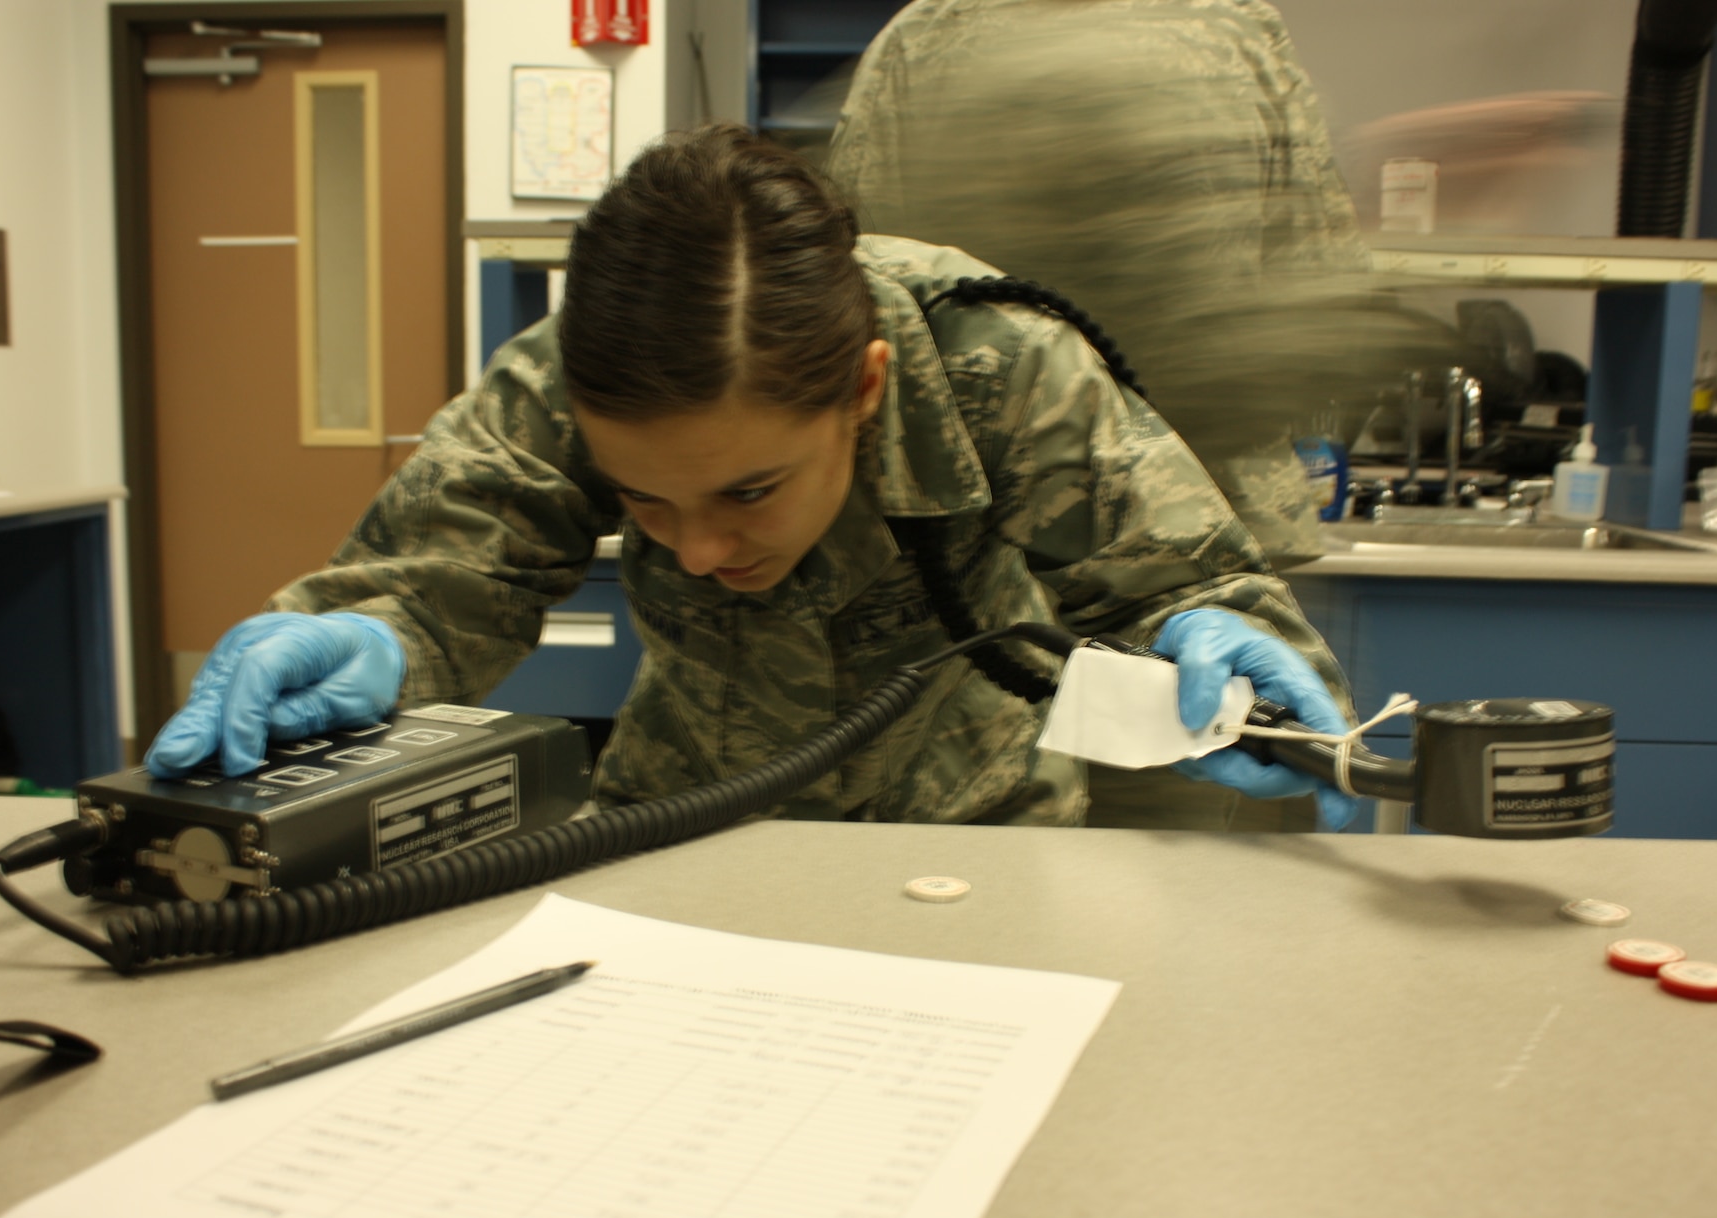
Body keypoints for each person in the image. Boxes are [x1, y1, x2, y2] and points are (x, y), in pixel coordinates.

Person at [146, 125, 1361, 829]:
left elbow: (1184, 584)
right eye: (644, 502)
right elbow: (436, 578)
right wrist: (369, 633)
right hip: (678, 817)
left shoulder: (998, 360)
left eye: (747, 491)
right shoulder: (559, 376)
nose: (695, 554)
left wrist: (1223, 637)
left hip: (973, 840)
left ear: (865, 390)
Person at [824, 0, 1442, 569]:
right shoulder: (1232, 31)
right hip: (1204, 518)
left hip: (992, 529)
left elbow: (858, 286)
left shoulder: (920, 39)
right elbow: (1322, 283)